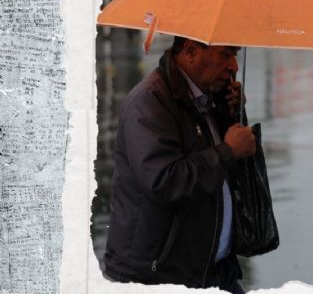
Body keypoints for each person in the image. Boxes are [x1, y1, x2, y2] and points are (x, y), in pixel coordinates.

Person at [102, 37, 257, 294]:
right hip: (159, 277)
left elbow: (227, 174)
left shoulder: (206, 97)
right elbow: (164, 180)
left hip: (213, 271)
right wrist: (227, 151)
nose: (234, 66)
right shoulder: (149, 102)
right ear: (191, 51)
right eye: (226, 55)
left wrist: (229, 115)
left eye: (236, 55)